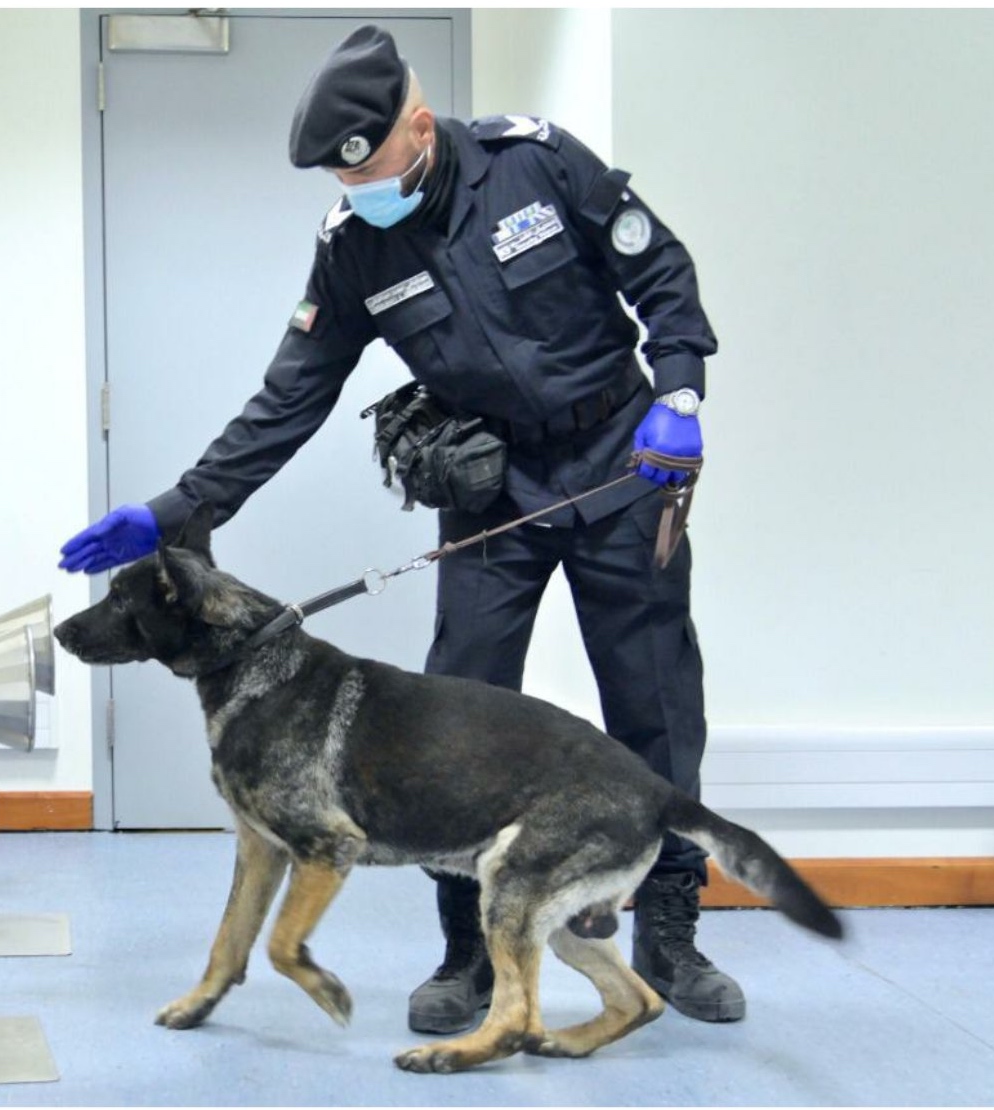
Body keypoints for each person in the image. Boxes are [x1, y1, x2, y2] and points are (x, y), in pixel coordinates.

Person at [59, 24, 736, 1033]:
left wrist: (677, 391)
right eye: (339, 179)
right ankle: (467, 952)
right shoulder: (353, 246)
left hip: (616, 466)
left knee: (653, 704)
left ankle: (670, 937)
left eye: (366, 167)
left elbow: (660, 272)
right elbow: (288, 400)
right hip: (491, 486)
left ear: (418, 125)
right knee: (454, 716)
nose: (353, 190)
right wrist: (175, 512)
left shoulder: (535, 163)